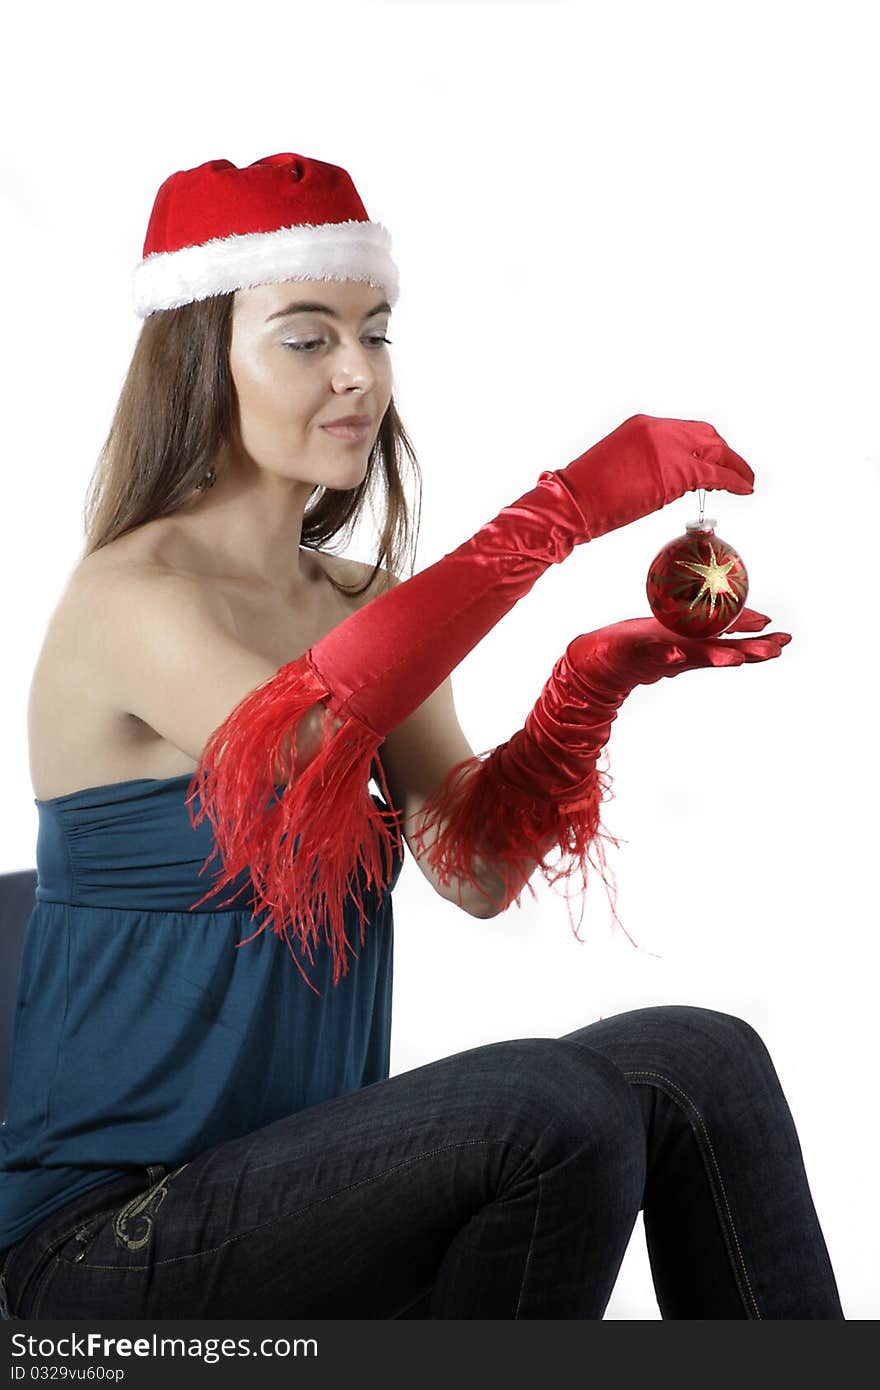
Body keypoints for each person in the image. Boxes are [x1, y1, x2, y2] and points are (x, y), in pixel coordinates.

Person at [0, 152, 843, 1320]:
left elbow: (475, 868)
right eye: (306, 338)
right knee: (548, 1108)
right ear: (204, 360)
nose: (357, 375)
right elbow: (301, 740)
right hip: (101, 1249)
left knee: (701, 1061)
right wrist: (562, 511)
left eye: (376, 331)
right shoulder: (128, 603)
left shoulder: (356, 600)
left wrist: (584, 688)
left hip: (301, 1190)